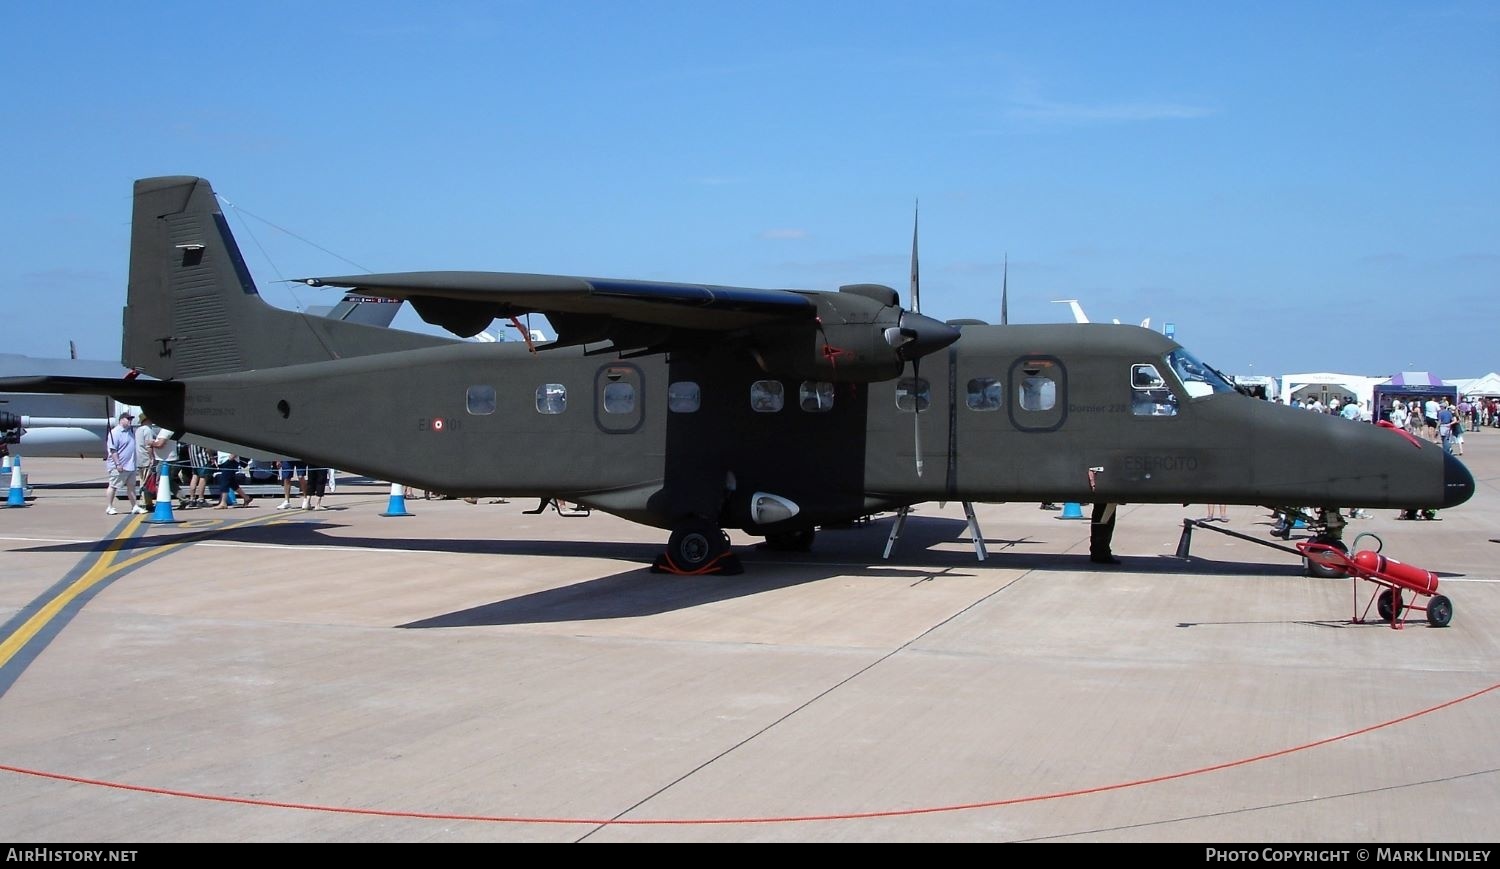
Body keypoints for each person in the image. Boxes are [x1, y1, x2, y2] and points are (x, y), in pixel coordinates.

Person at [104, 411, 142, 515]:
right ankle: (109, 506)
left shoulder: (130, 431)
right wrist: (118, 464)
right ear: (121, 420)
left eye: (131, 419)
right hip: (119, 465)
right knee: (113, 485)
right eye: (128, 419)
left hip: (131, 465)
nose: (130, 421)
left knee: (131, 486)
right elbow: (113, 450)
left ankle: (135, 506)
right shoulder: (115, 433)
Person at [184, 442, 215, 508]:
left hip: (194, 460)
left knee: (195, 477)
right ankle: (201, 499)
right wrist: (211, 456)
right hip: (203, 459)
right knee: (203, 478)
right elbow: (207, 448)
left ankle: (192, 498)